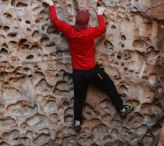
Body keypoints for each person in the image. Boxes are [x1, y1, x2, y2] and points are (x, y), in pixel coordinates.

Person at [42, 0, 134, 132]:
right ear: (87, 23)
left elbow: (55, 20)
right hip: (92, 71)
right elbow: (102, 29)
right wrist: (100, 14)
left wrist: (51, 5)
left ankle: (77, 122)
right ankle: (122, 109)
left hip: (78, 73)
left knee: (79, 97)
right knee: (109, 87)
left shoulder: (69, 31)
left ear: (76, 21)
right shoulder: (89, 33)